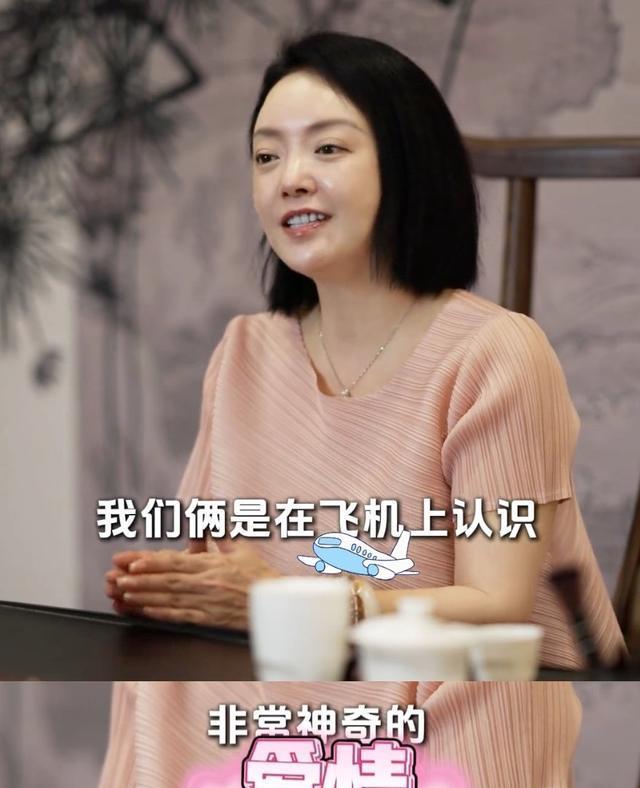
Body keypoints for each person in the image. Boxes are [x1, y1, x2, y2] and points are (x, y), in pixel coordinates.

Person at [99, 31, 624, 787]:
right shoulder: (245, 351)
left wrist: (291, 602)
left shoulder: (497, 352)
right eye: (266, 156)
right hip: (281, 693)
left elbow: (498, 604)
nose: (290, 179)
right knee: (162, 666)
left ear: (406, 165)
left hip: (433, 695)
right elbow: (222, 575)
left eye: (328, 149)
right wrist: (176, 587)